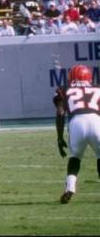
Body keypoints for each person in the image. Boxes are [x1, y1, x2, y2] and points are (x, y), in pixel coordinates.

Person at [54, 63, 100, 203]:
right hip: (96, 121)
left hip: (77, 123)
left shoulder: (65, 89)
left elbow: (60, 113)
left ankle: (70, 187)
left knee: (75, 158)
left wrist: (60, 138)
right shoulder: (97, 88)